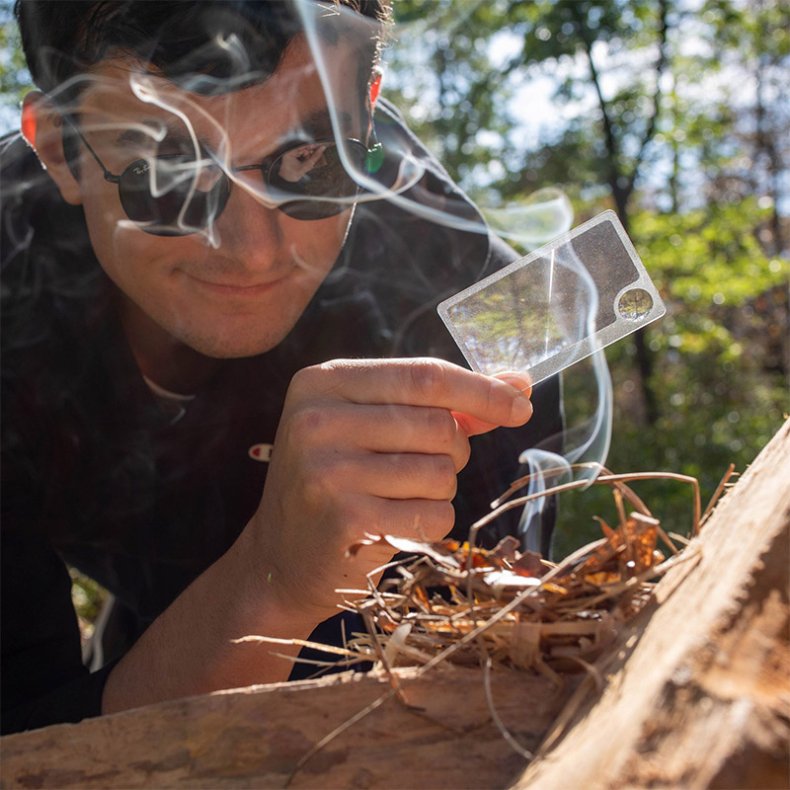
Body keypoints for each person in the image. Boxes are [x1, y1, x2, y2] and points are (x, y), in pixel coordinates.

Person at [1, 0, 562, 735]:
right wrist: (266, 584)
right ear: (59, 148)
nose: (253, 250)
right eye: (169, 172)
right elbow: (27, 741)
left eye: (309, 160)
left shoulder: (484, 308)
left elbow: (462, 704)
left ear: (366, 110)